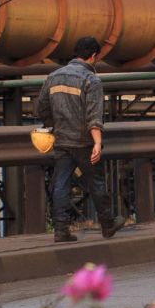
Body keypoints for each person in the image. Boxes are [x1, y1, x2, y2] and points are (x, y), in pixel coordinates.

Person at [36, 35, 116, 243]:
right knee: (96, 182)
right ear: (93, 56)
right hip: (84, 142)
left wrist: (56, 124)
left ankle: (61, 230)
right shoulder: (92, 80)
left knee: (60, 184)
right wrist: (97, 142)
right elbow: (94, 117)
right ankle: (108, 225)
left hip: (62, 139)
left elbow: (41, 109)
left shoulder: (53, 76)